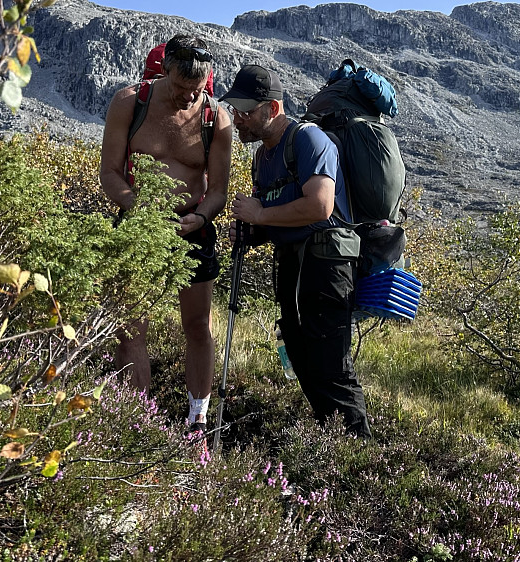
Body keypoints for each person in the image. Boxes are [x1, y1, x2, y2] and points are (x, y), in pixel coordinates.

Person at [222, 64, 372, 439]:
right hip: (292, 265)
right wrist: (251, 228)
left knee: (331, 367)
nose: (237, 119)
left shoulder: (308, 140)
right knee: (302, 361)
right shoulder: (262, 158)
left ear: (272, 109)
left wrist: (260, 213)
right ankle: (333, 444)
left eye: (245, 111)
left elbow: (319, 206)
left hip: (326, 264)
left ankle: (362, 454)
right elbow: (275, 217)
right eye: (234, 111)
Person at [99, 34, 232, 432]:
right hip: (139, 223)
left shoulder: (216, 118)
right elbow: (109, 173)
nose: (187, 98)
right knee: (129, 327)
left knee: (198, 326)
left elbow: (219, 190)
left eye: (196, 91)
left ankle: (197, 425)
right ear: (164, 71)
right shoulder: (130, 102)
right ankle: (135, 422)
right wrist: (141, 209)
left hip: (192, 226)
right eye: (179, 88)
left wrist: (203, 217)